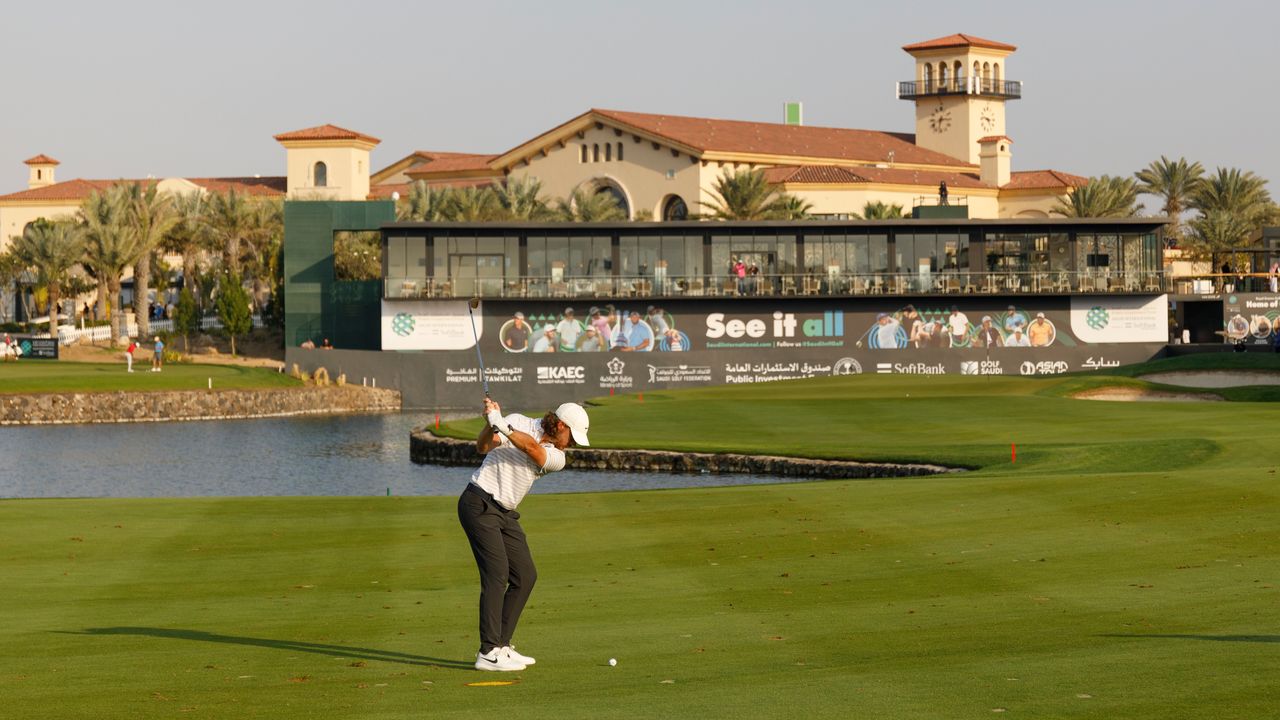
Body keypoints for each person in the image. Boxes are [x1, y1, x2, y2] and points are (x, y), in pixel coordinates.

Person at [460, 398, 590, 672]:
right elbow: (482, 447)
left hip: (505, 513)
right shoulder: (518, 421)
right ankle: (488, 652)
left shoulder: (557, 457)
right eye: (572, 436)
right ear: (560, 425)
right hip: (478, 502)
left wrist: (501, 424)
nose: (573, 444)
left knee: (525, 575)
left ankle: (502, 646)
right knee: (497, 574)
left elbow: (531, 448)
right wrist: (490, 424)